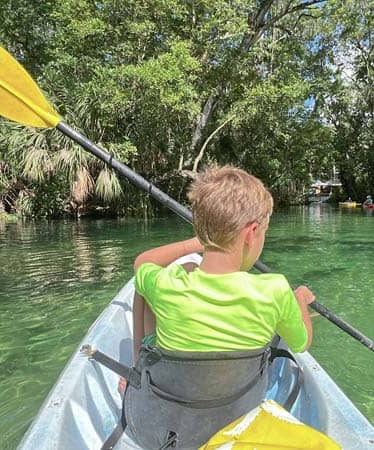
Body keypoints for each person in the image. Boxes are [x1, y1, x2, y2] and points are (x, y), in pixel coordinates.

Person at [128, 166, 316, 448]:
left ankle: (136, 368)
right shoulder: (275, 289)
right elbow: (302, 342)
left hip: (165, 424)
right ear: (251, 233)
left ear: (201, 231)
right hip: (236, 418)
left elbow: (142, 264)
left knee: (146, 287)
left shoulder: (170, 284)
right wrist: (299, 301)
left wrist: (198, 242)